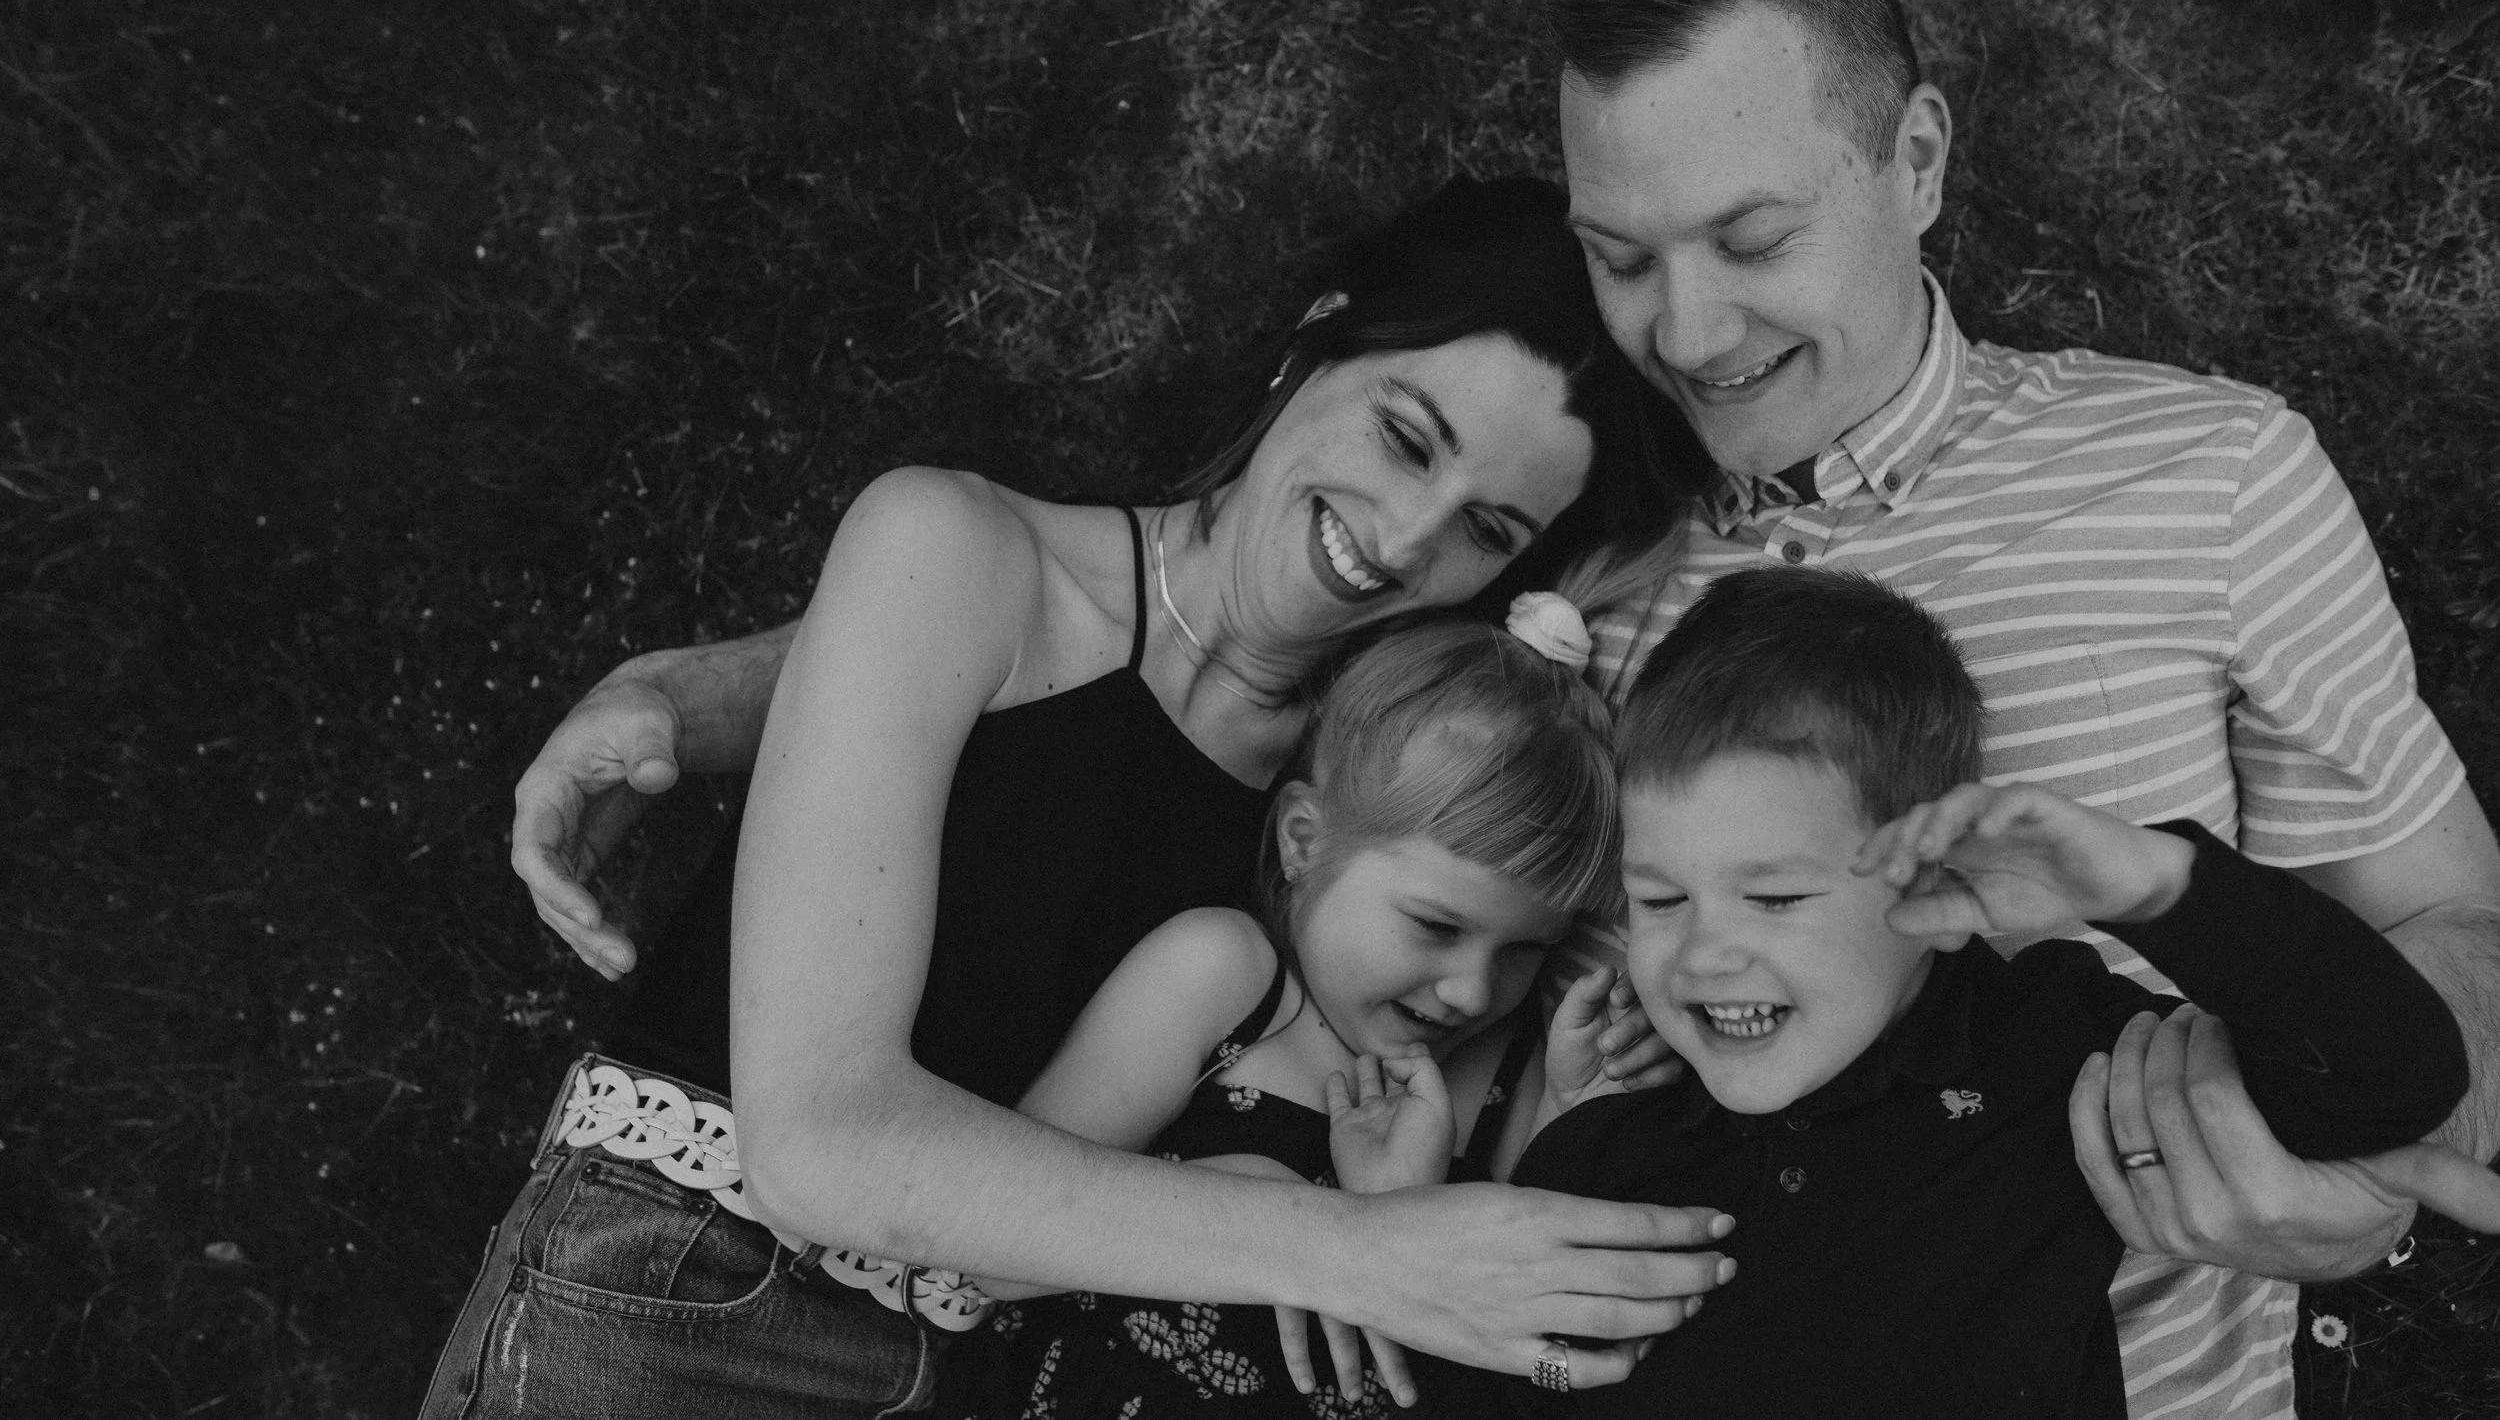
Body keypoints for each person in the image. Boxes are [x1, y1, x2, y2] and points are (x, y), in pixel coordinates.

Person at [429, 176, 1728, 1419]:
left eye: (1487, 529)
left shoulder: (1374, 776)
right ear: (1321, 336)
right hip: (684, 1298)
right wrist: (1357, 1245)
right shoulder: (962, 549)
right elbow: (820, 1143)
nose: (1401, 537)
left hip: (995, 1362)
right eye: (1402, 434)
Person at [1545, 0, 2500, 1414]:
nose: (1691, 335)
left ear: (1915, 158)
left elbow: (2458, 926)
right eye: (1620, 256)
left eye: (1755, 236)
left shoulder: (2211, 476)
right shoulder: (1577, 586)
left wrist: (2365, 1187)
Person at [1399, 567, 2496, 1417]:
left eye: (1774, 896)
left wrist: (2157, 882)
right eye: (1657, 898)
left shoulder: (2044, 1051)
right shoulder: (1607, 1150)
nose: (1700, 956)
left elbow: (2391, 1076)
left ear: (1927, 880)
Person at [944, 606, 1679, 1420]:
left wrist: (1574, 1113)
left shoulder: (1506, 1067)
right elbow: (992, 1253)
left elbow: (1543, 1356)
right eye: (1437, 924)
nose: (1474, 990)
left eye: (1525, 950)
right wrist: (1259, 1196)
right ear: (1303, 840)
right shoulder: (1226, 980)